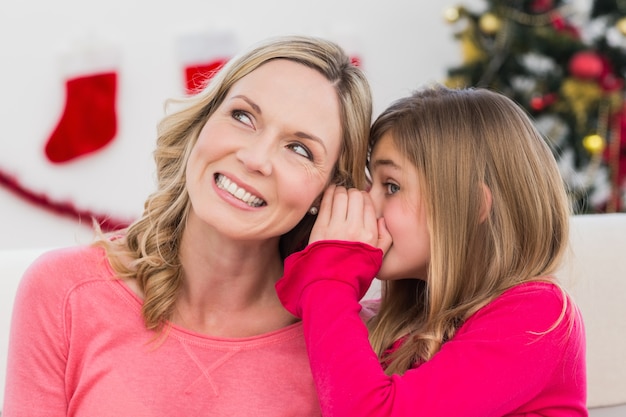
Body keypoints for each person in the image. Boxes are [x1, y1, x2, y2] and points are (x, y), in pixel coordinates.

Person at [3, 35, 372, 416]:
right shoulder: (65, 292)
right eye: (243, 116)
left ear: (331, 194)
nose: (255, 158)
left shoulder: (354, 344)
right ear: (202, 123)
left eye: (300, 149)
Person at [276, 85, 588, 416]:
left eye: (392, 186)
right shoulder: (389, 319)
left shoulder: (538, 316)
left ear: (469, 208)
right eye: (372, 183)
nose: (369, 202)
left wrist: (329, 278)